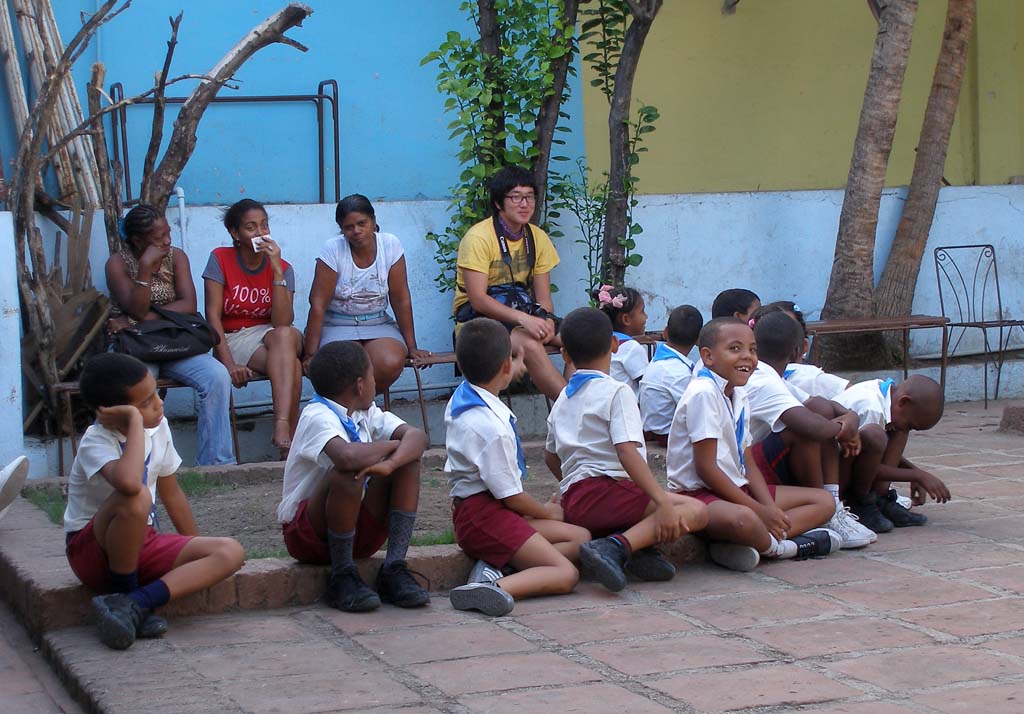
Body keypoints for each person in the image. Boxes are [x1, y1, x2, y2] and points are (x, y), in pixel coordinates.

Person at [64, 353, 244, 650]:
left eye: (156, 394)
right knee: (136, 499)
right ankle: (125, 592)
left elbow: (172, 493)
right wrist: (135, 423)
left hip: (140, 543)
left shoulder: (159, 427)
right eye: (145, 403)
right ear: (113, 412)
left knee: (230, 551)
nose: (159, 404)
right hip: (91, 550)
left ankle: (135, 604)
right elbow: (129, 484)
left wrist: (192, 547)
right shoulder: (96, 441)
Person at [546, 308, 708, 592]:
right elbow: (627, 452)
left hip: (574, 500)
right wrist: (662, 501)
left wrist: (570, 482)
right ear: (614, 345)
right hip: (606, 491)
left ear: (565, 355)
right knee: (695, 510)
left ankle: (635, 549)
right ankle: (616, 547)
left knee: (650, 507)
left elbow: (551, 456)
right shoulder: (617, 391)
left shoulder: (562, 400)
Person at [665, 317, 840, 572]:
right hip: (699, 494)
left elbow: (748, 460)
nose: (747, 356)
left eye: (752, 349)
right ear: (708, 356)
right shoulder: (703, 392)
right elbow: (706, 469)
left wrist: (767, 508)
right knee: (745, 519)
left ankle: (751, 542)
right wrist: (758, 510)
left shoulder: (739, 393)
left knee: (825, 502)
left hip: (738, 489)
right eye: (735, 349)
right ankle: (782, 548)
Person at [445, 318, 590, 616]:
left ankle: (496, 567)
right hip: (485, 519)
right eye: (515, 358)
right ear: (506, 367)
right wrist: (545, 510)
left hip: (489, 511)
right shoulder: (490, 428)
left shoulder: (465, 399)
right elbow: (511, 497)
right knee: (566, 574)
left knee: (581, 538)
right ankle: (491, 589)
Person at [277, 341, 430, 612]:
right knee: (349, 472)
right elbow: (346, 457)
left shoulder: (366, 412)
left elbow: (417, 437)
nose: (375, 382)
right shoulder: (316, 415)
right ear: (360, 385)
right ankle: (342, 576)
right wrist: (394, 446)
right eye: (372, 376)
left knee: (408, 463)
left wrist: (392, 462)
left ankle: (394, 568)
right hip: (309, 536)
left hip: (356, 529)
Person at [105, 204, 235, 466]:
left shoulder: (177, 257)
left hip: (175, 342)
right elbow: (136, 308)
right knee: (141, 385)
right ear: (138, 240)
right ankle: (141, 464)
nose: (167, 240)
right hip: (136, 346)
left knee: (217, 376)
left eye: (168, 233)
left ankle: (217, 464)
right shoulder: (117, 264)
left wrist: (136, 320)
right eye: (158, 237)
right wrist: (144, 268)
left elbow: (188, 306)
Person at [747, 312, 874, 549]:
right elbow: (812, 428)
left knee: (819, 408)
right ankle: (823, 510)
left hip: (759, 463)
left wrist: (850, 417)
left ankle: (831, 503)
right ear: (797, 351)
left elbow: (818, 404)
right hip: (749, 470)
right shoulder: (762, 380)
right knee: (804, 430)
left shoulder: (767, 374)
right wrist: (844, 428)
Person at [452, 166, 565, 401]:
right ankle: (574, 411)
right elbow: (478, 300)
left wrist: (545, 320)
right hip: (478, 323)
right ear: (498, 203)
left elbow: (544, 299)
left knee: (580, 339)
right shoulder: (478, 238)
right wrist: (526, 320)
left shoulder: (537, 237)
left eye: (529, 197)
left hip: (523, 315)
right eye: (515, 197)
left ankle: (579, 403)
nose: (524, 204)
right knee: (532, 346)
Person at [203, 199, 303, 456]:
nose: (260, 233)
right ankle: (287, 445)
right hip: (235, 338)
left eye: (264, 225)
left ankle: (281, 426)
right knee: (293, 365)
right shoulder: (220, 259)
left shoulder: (284, 267)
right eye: (251, 227)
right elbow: (212, 317)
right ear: (235, 233)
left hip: (275, 334)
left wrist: (277, 270)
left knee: (284, 334)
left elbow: (282, 321)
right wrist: (228, 364)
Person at [304, 194, 429, 395]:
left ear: (373, 221)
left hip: (378, 322)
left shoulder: (390, 245)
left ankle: (360, 408)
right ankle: (352, 412)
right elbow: (318, 303)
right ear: (341, 229)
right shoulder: (333, 249)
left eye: (362, 223)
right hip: (337, 323)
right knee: (347, 366)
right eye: (348, 227)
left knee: (390, 361)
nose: (356, 231)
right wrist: (310, 353)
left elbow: (400, 298)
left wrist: (412, 346)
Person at [835, 375, 951, 533]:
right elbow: (863, 463)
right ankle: (858, 503)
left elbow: (869, 458)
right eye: (912, 424)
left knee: (900, 429)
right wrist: (917, 475)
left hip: (851, 457)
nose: (908, 428)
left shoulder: (888, 395)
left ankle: (879, 497)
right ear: (903, 402)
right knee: (879, 434)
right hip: (833, 472)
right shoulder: (872, 408)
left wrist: (912, 469)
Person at [640, 304, 703, 445]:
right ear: (699, 340)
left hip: (654, 432)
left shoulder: (657, 363)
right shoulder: (678, 372)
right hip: (668, 436)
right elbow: (695, 412)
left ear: (665, 332)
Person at [596, 285, 649, 396]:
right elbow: (648, 385)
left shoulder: (600, 343)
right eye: (642, 311)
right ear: (626, 319)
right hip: (625, 408)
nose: (646, 317)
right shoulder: (631, 348)